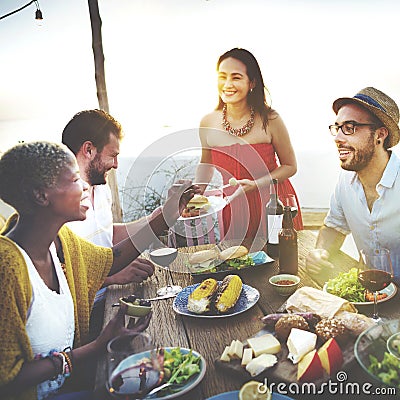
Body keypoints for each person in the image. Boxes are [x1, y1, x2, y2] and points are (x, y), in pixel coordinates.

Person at [0, 141, 197, 399]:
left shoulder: (60, 242)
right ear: (41, 195)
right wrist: (95, 348)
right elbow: (7, 380)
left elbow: (111, 259)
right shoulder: (8, 268)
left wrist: (167, 215)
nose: (83, 186)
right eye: (73, 179)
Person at [195, 48, 303, 247]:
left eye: (236, 77)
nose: (227, 84)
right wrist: (196, 196)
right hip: (234, 206)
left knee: (281, 265)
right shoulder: (208, 121)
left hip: (274, 204)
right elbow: (206, 165)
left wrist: (256, 184)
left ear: (251, 82)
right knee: (239, 266)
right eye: (222, 77)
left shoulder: (271, 119)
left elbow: (290, 166)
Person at [306, 87, 400, 284]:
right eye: (337, 128)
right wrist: (320, 251)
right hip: (368, 293)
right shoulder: (344, 183)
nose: (338, 138)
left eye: (350, 128)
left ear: (379, 135)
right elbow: (334, 227)